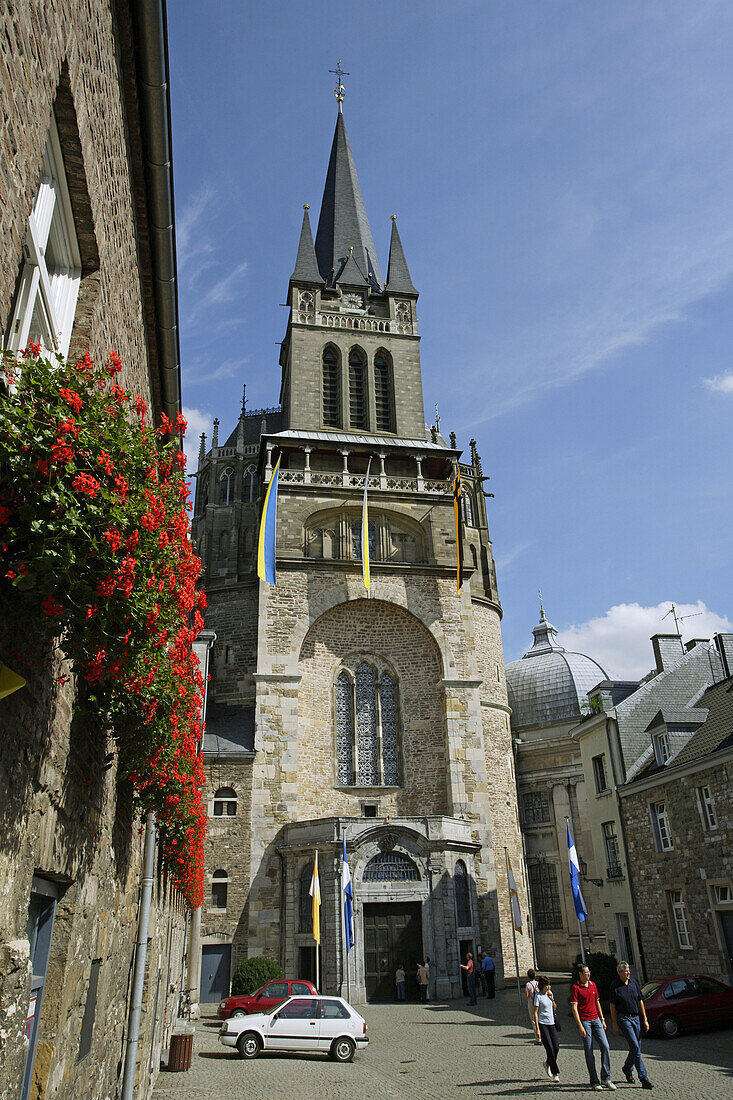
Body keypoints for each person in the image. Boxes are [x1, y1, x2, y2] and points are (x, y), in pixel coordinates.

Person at [570, 964, 615, 1092]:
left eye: (589, 972)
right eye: (585, 973)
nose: (588, 974)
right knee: (589, 1051)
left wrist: (602, 1019)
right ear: (580, 974)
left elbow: (597, 1002)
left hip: (596, 1020)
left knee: (605, 1046)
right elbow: (574, 1008)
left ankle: (606, 1077)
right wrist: (580, 1026)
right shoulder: (576, 988)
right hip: (585, 1021)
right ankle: (594, 1081)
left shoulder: (593, 985)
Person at [609, 962, 653, 1090]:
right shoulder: (615, 986)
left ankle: (627, 1067)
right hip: (624, 1018)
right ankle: (643, 1078)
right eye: (626, 971)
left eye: (629, 971)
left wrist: (645, 1019)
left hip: (636, 1018)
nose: (628, 973)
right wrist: (614, 1024)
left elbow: (640, 1001)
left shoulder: (634, 983)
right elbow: (612, 1005)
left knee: (636, 1048)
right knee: (634, 1046)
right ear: (620, 972)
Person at [533, 975, 561, 1082]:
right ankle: (555, 1073)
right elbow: (535, 1013)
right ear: (542, 986)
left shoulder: (550, 994)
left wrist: (552, 999)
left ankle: (548, 1063)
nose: (549, 987)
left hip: (552, 1023)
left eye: (549, 985)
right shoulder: (538, 996)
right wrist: (537, 1029)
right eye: (547, 985)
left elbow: (554, 1007)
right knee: (549, 1047)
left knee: (556, 1047)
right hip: (543, 1024)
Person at [526, 969, 541, 1043]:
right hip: (538, 1002)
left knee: (533, 1020)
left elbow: (527, 995)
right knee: (540, 1018)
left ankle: (538, 1038)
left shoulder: (528, 984)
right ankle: (543, 1036)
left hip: (531, 1002)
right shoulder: (538, 983)